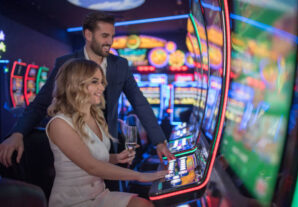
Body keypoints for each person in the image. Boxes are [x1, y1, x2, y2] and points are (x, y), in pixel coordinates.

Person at [0, 11, 174, 168]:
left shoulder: (120, 65)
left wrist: (159, 141)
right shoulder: (66, 63)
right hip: (75, 143)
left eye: (112, 36)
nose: (110, 42)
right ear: (88, 34)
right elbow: (40, 104)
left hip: (108, 144)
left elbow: (140, 102)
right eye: (104, 36)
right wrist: (17, 133)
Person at [46, 58, 166, 207]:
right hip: (73, 201)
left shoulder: (97, 116)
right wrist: (140, 176)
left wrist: (116, 158)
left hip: (99, 194)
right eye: (95, 82)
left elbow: (93, 157)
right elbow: (91, 166)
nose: (102, 87)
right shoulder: (60, 124)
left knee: (144, 204)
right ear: (76, 84)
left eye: (102, 82)